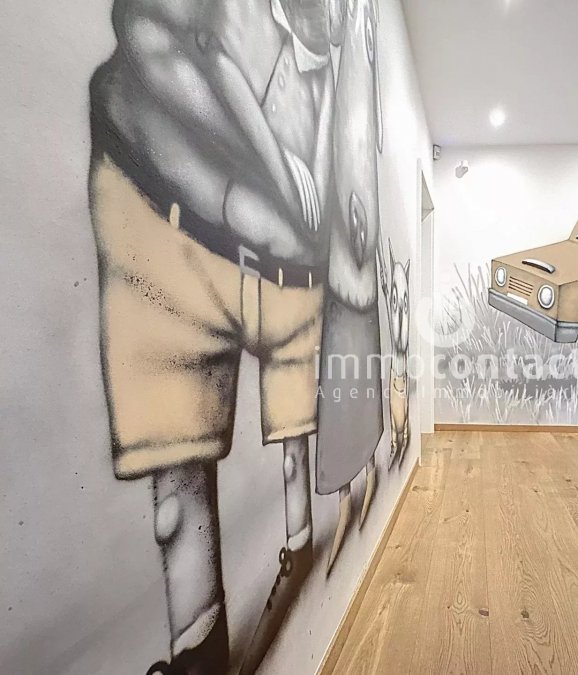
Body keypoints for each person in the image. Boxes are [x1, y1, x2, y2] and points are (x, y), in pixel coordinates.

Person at [88, 0, 344, 672]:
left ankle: (291, 552)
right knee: (176, 461)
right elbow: (166, 37)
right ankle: (199, 643)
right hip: (162, 217)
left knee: (287, 435)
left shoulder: (328, 66)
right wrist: (279, 168)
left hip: (284, 271)